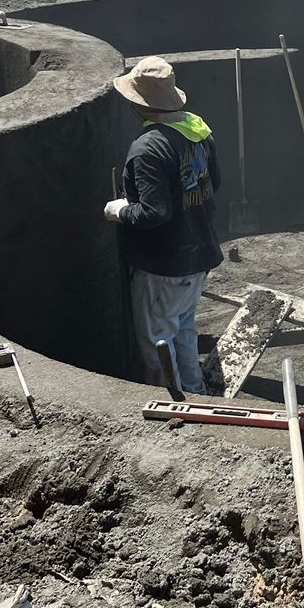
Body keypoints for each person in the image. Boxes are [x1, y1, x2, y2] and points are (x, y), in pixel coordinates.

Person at [102, 56, 224, 393]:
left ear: (138, 104)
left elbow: (155, 213)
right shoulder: (198, 132)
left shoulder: (148, 149)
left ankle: (170, 401)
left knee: (157, 341)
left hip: (165, 265)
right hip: (198, 254)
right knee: (183, 328)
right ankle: (194, 391)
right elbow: (213, 183)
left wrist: (120, 211)